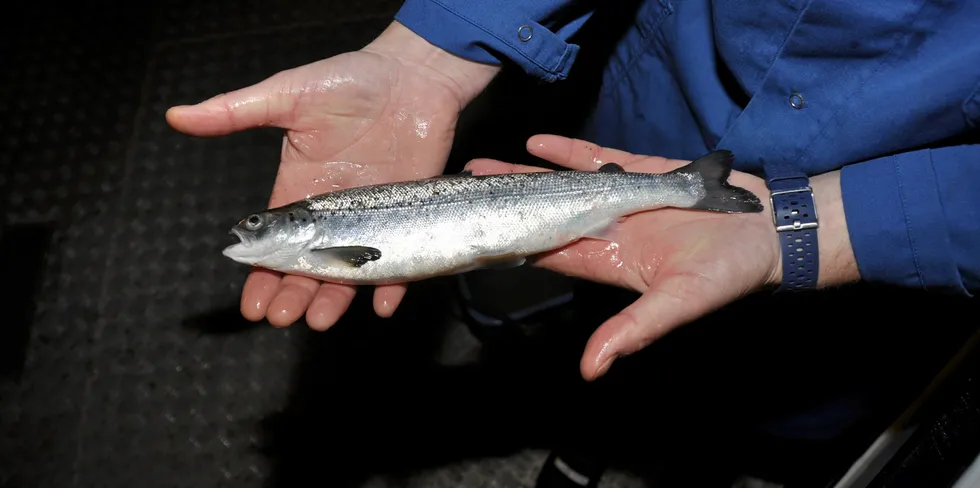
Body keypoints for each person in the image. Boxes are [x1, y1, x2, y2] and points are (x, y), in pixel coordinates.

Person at [166, 1, 980, 485]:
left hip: (895, 227)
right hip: (656, 107)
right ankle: (594, 441)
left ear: (304, 233)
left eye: (263, 229)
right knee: (599, 331)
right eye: (259, 230)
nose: (253, 235)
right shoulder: (322, 236)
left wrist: (834, 230)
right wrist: (434, 50)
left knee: (796, 388)